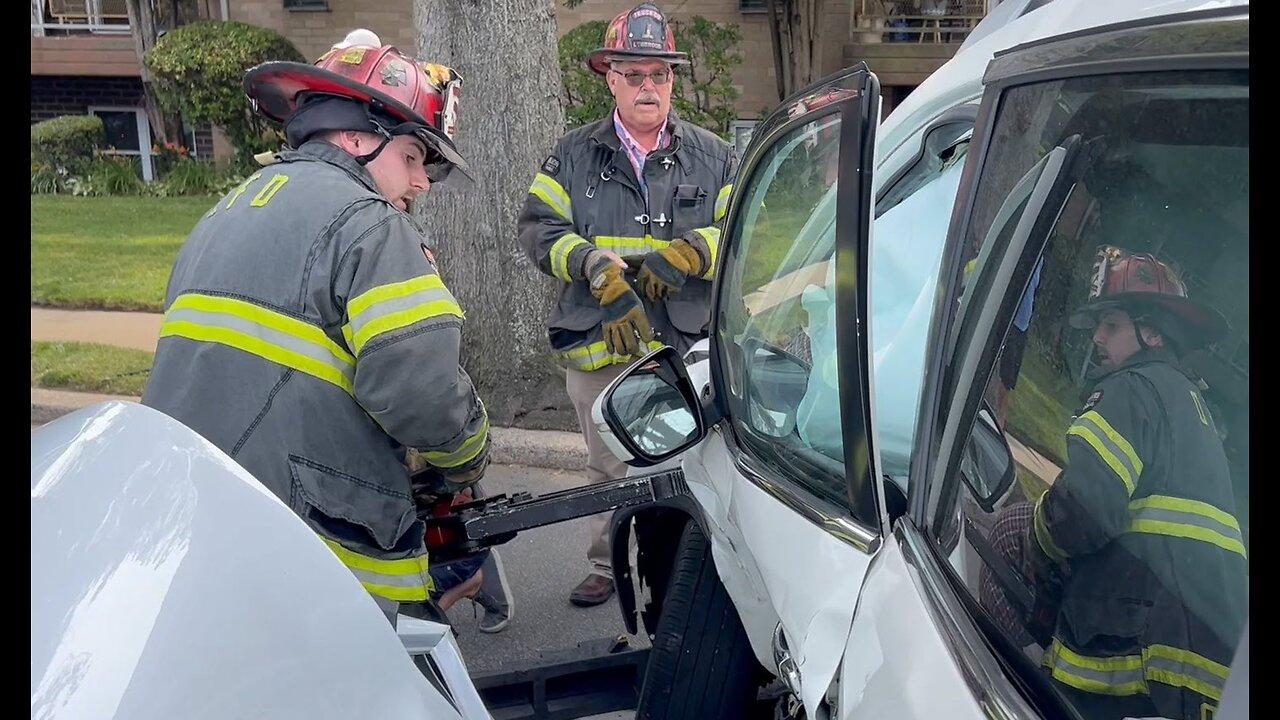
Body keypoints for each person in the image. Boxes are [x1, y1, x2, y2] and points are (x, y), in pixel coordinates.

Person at [142, 30, 492, 625]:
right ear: (357, 137)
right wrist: (469, 456)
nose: (421, 183)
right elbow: (422, 397)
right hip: (320, 552)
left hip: (196, 519)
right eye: (412, 157)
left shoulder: (225, 211)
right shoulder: (371, 226)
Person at [516, 2, 737, 606]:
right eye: (633, 74)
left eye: (659, 75)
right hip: (599, 337)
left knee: (695, 462)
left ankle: (701, 566)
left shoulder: (714, 156)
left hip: (683, 341)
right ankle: (605, 564)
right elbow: (538, 228)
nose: (648, 87)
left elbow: (744, 228)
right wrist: (593, 269)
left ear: (671, 81)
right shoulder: (572, 155)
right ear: (609, 78)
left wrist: (695, 251)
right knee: (608, 462)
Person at [1020, 246, 1247, 719]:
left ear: (1153, 333)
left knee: (1003, 537)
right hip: (1209, 677)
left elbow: (1079, 513)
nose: (1098, 338)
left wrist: (1032, 536)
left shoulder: (1132, 389)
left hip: (1135, 659)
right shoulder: (1192, 407)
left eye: (1113, 324)